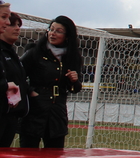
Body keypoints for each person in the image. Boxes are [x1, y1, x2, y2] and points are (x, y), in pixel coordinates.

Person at [19, 15, 83, 149]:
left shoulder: (72, 57)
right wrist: (31, 91)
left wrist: (74, 81)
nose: (53, 33)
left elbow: (75, 88)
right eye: (51, 29)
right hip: (35, 109)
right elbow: (17, 75)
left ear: (67, 36)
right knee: (28, 152)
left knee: (55, 154)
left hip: (57, 110)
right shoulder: (34, 52)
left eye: (58, 31)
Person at [1, 11, 29, 146]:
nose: (17, 28)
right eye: (13, 24)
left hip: (12, 114)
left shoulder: (13, 54)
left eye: (19, 25)